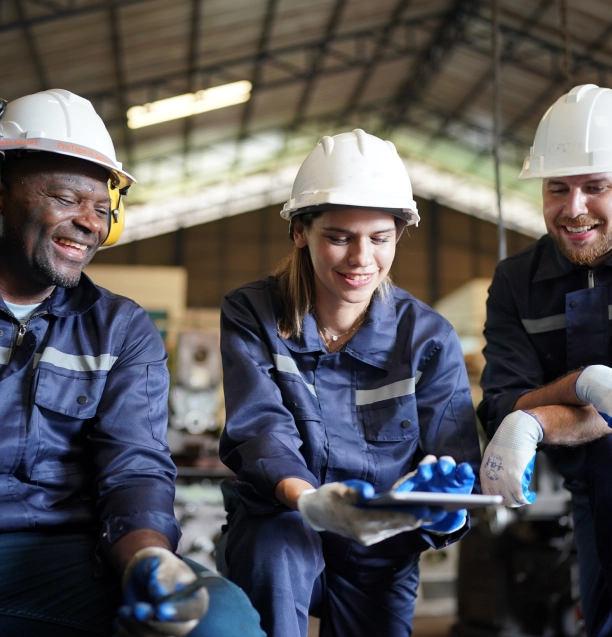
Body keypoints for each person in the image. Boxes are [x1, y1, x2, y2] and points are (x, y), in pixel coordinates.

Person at [0, 89, 264, 637]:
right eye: (67, 199)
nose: (89, 224)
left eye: (102, 209)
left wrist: (147, 558)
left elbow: (135, 464)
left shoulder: (119, 328)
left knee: (222, 620)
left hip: (66, 555)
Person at [218, 129, 482, 637]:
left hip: (382, 540)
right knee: (275, 550)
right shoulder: (253, 312)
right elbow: (261, 427)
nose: (362, 258)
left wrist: (443, 512)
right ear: (300, 231)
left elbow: (453, 458)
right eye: (339, 237)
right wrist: (308, 499)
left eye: (380, 238)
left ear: (398, 235)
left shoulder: (426, 337)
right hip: (284, 518)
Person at [478, 83, 612, 636]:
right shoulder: (517, 281)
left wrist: (539, 414)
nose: (574, 208)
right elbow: (505, 400)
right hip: (592, 492)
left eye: (596, 186)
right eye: (558, 188)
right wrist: (544, 409)